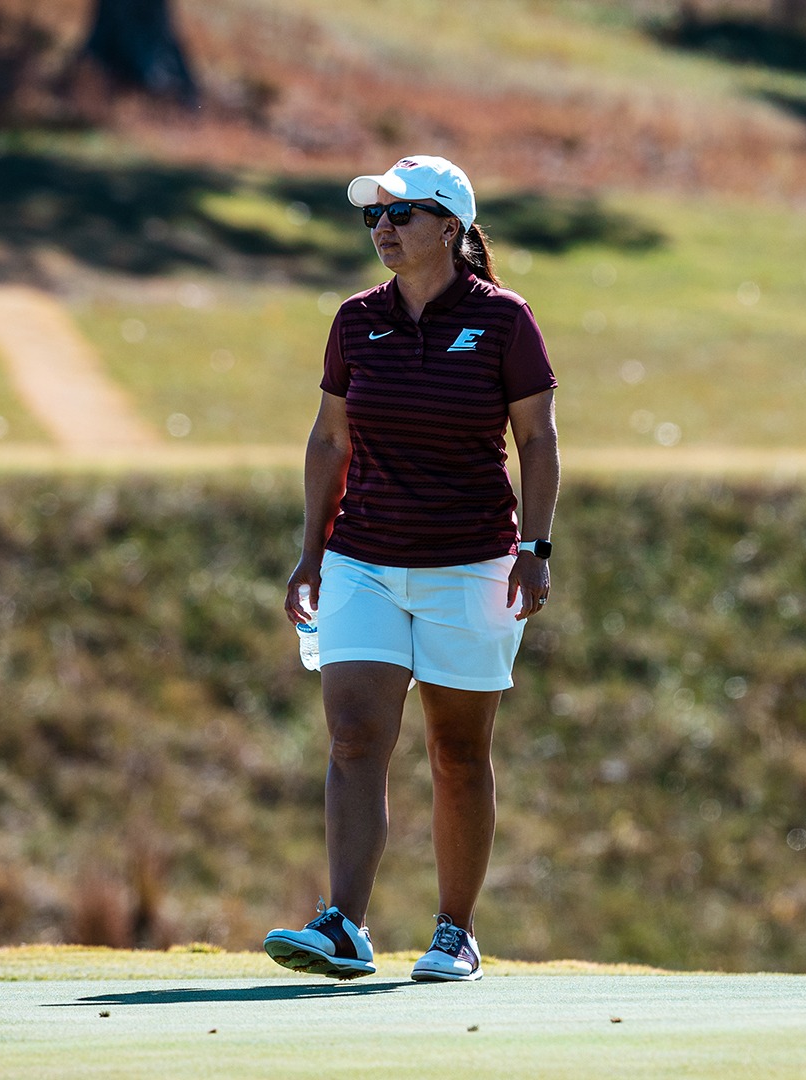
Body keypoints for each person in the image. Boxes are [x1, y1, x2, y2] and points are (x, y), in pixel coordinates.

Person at [263, 156, 560, 983]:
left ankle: (454, 931)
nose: (382, 230)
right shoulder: (357, 320)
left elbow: (537, 440)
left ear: (451, 228)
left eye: (400, 215)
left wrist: (534, 548)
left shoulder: (503, 321)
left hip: (472, 566)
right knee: (355, 737)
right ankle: (345, 925)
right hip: (362, 561)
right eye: (374, 218)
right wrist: (312, 550)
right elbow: (331, 439)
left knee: (457, 753)